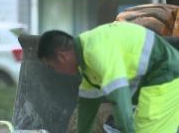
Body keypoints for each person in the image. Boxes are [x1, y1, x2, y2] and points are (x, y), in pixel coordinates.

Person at [37, 22, 179, 132]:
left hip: (165, 74)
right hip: (157, 77)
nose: (56, 71)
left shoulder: (95, 53)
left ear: (62, 57)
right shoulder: (87, 62)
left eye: (51, 66)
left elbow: (120, 98)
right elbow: (87, 107)